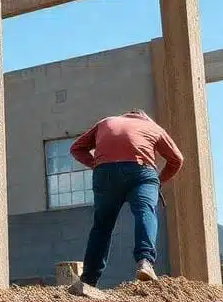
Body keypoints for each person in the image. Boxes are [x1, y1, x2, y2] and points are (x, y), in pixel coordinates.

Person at [68, 109, 183, 290]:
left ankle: (88, 280)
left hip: (105, 173)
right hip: (141, 171)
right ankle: (145, 261)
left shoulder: (106, 122)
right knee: (145, 211)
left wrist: (97, 164)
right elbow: (177, 160)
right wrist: (158, 182)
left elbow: (76, 148)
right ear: (144, 117)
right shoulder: (153, 127)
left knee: (102, 226)